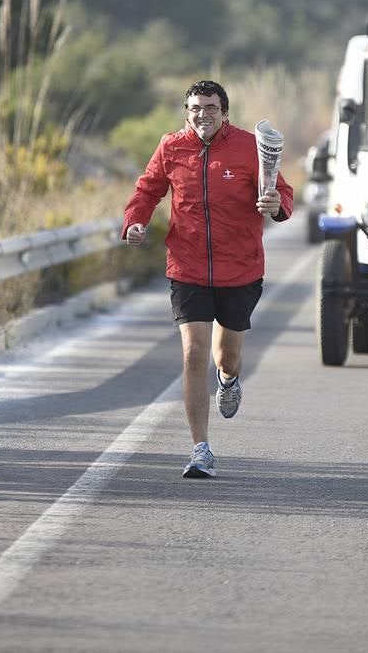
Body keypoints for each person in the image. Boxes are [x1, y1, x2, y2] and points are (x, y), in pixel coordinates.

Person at [121, 80, 294, 478]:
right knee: (192, 354)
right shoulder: (171, 147)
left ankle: (229, 379)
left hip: (241, 268)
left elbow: (282, 193)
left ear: (225, 112)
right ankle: (201, 449)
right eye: (196, 107)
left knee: (225, 357)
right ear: (187, 112)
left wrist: (276, 205)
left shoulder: (250, 147)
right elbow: (147, 190)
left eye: (211, 107)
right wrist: (134, 221)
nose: (203, 114)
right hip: (188, 267)